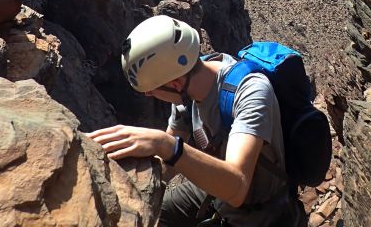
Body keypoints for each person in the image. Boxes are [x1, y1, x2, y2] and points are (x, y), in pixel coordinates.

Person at [87, 15, 302, 226]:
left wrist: (165, 144)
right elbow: (167, 165)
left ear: (176, 83)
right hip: (215, 195)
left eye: (152, 91)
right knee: (149, 214)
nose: (148, 95)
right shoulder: (187, 93)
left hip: (261, 209)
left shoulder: (250, 92)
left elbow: (237, 187)